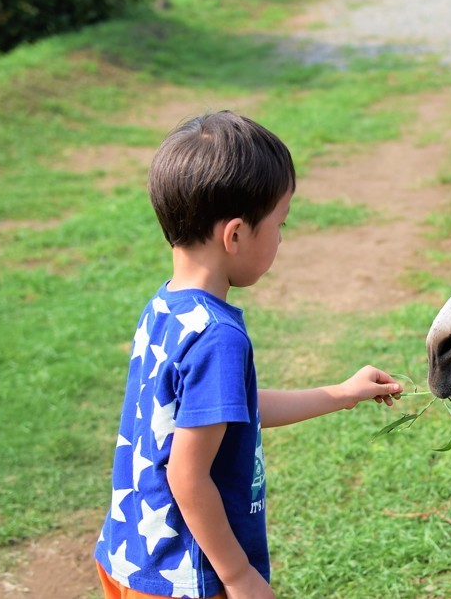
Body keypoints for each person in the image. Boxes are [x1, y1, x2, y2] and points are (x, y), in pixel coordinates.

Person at [94, 111, 402, 599]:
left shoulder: (166, 306)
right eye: (280, 224)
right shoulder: (218, 336)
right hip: (187, 577)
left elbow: (231, 410)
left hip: (131, 555)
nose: (282, 236)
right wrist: (238, 577)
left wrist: (343, 393)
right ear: (235, 235)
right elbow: (187, 474)